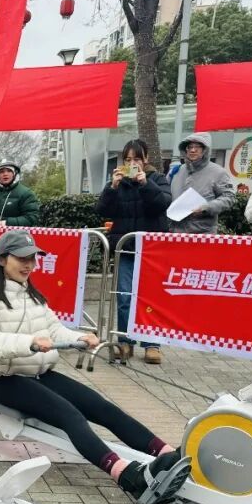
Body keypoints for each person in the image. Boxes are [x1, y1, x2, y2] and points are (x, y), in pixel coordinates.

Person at [0, 230, 189, 504]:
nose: (29, 265)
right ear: (1, 259)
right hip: (3, 379)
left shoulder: (30, 293)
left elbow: (54, 329)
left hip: (38, 373)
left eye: (33, 258)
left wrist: (79, 337)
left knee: (103, 408)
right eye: (22, 259)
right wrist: (29, 342)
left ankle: (170, 455)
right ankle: (128, 476)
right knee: (71, 416)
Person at [95, 139, 171, 366]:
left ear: (145, 159)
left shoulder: (157, 179)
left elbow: (162, 204)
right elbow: (101, 210)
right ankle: (124, 341)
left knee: (150, 297)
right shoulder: (118, 183)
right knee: (124, 297)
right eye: (127, 159)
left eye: (136, 158)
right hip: (125, 248)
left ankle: (151, 344)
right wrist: (111, 188)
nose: (132, 163)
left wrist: (145, 183)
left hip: (151, 251)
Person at [168, 132, 235, 235]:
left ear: (205, 150)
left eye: (197, 147)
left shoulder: (218, 172)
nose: (192, 150)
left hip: (203, 234)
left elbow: (229, 197)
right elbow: (166, 195)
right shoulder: (176, 171)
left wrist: (207, 208)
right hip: (175, 233)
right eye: (189, 147)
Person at [0, 160, 40, 227]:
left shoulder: (26, 193)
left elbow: (31, 218)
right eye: (1, 171)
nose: (5, 174)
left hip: (15, 233)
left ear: (15, 173)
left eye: (9, 171)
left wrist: (7, 222)